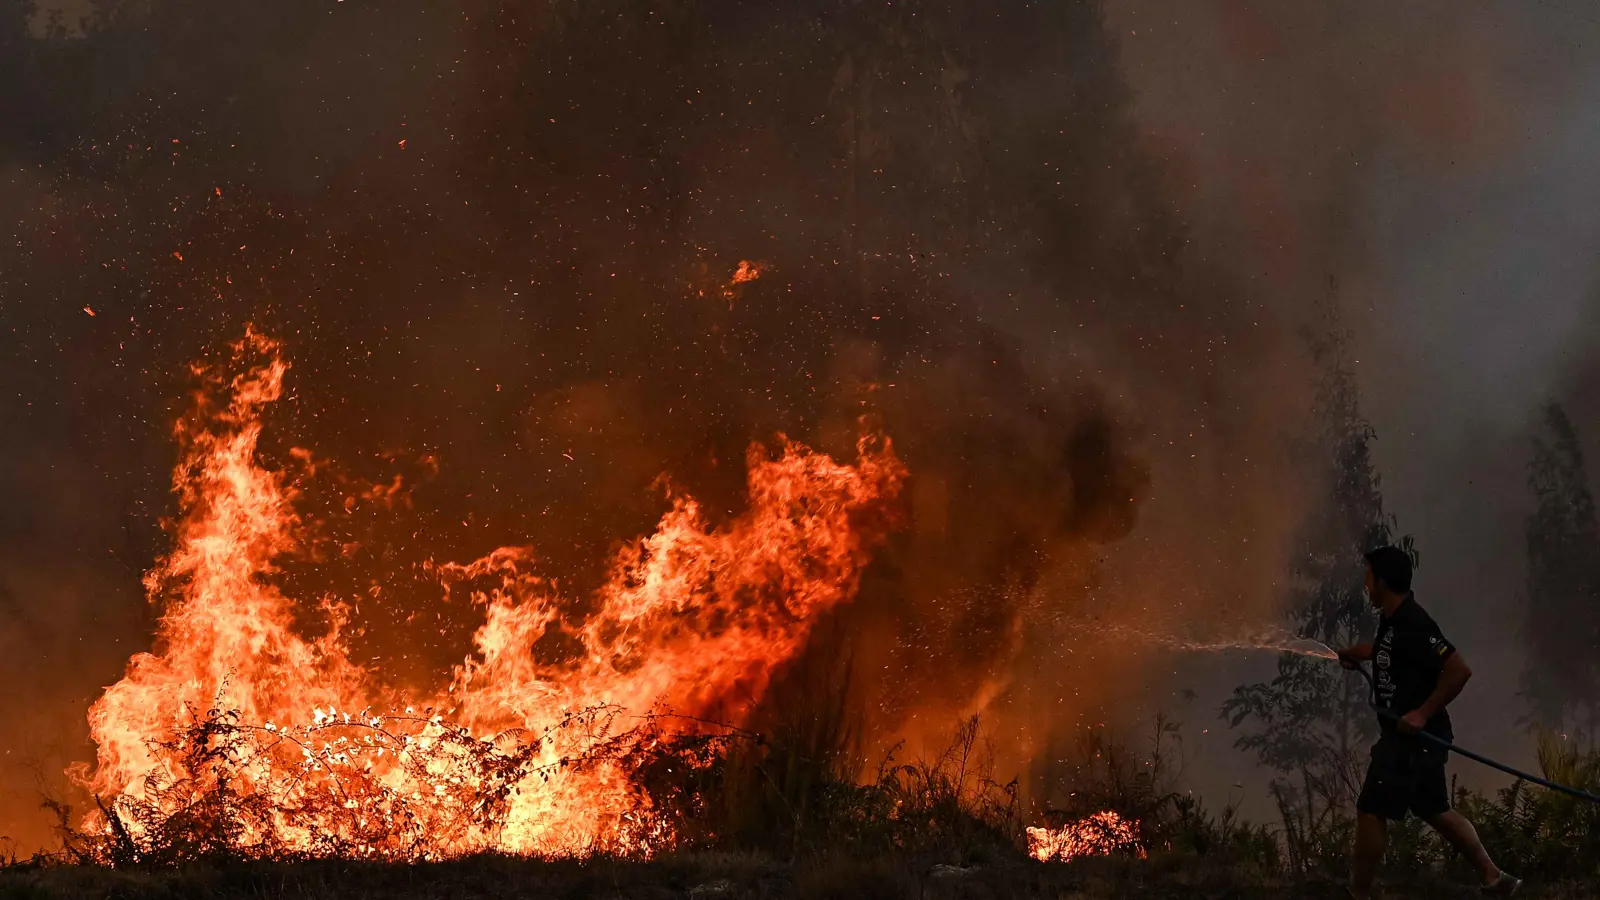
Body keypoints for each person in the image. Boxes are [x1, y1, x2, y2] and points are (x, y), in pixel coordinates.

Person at [1337, 546, 1521, 898]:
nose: (1365, 584)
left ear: (1383, 582)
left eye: (1369, 577)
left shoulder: (1415, 623)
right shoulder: (1393, 620)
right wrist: (1357, 652)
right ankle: (1495, 878)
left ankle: (1359, 893)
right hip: (1415, 739)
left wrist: (1421, 713)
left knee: (1371, 809)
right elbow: (1389, 649)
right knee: (1434, 808)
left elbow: (1458, 670)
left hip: (1414, 740)